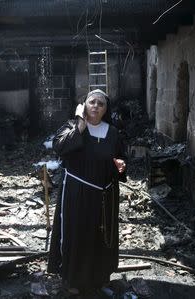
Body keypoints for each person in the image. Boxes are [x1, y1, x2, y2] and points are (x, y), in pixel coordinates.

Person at [47, 89, 127, 296]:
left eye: (101, 104)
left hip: (104, 196)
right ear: (84, 105)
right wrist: (80, 125)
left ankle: (99, 278)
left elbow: (120, 158)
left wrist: (121, 166)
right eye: (92, 102)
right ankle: (73, 279)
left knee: (101, 236)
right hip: (77, 193)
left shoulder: (113, 132)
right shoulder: (72, 127)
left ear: (106, 109)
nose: (96, 106)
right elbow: (59, 147)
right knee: (77, 235)